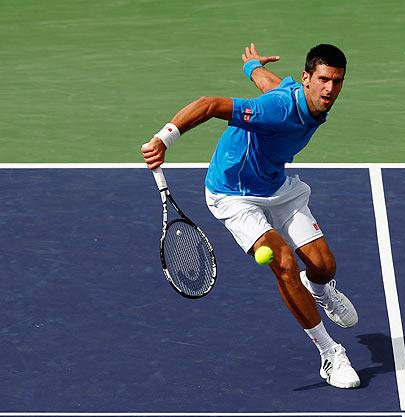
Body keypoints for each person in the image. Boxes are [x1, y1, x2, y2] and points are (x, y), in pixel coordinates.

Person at [141, 43, 360, 389]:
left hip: (277, 186)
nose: (330, 89)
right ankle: (330, 353)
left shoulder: (306, 99)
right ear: (307, 78)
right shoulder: (276, 109)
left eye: (337, 81)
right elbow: (210, 105)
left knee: (324, 265)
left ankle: (319, 288)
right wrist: (164, 139)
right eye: (323, 80)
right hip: (233, 195)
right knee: (284, 262)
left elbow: (268, 82)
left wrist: (251, 67)